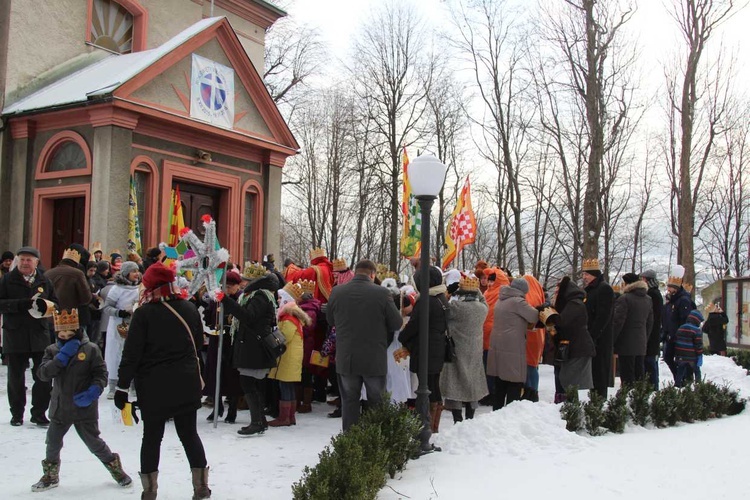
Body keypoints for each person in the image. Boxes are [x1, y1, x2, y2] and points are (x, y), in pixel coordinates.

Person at [115, 262, 210, 500]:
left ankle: (149, 492)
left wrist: (121, 387)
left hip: (154, 386)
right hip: (186, 382)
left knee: (152, 438)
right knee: (189, 435)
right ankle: (201, 488)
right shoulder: (188, 307)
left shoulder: (144, 313)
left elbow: (132, 355)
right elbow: (198, 343)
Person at [33, 308, 131, 491]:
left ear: (77, 331)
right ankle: (50, 475)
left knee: (94, 443)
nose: (65, 336)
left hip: (84, 408)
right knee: (53, 442)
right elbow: (43, 374)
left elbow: (101, 374)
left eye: (70, 332)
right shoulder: (52, 350)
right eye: (62, 333)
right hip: (60, 407)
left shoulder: (90, 349)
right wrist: (61, 358)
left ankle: (116, 470)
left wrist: (94, 391)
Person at [326, 259, 402, 431]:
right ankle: (375, 441)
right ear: (372, 274)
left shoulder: (337, 292)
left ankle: (350, 441)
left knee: (349, 402)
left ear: (356, 271)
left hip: (347, 358)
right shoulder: (382, 293)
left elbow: (330, 320)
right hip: (374, 358)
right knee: (376, 402)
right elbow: (396, 323)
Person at [219, 263, 279, 436]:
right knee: (252, 383)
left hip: (255, 347)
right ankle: (260, 421)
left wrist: (226, 301)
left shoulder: (260, 296)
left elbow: (248, 317)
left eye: (247, 280)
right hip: (252, 345)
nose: (244, 283)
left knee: (249, 383)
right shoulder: (258, 295)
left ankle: (257, 421)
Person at [0, 246, 57, 426]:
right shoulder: (8, 279)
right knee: (15, 377)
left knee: (43, 376)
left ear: (36, 262)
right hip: (15, 333)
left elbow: (55, 303)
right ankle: (17, 413)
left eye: (29, 260)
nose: (25, 263)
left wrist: (46, 307)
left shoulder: (44, 280)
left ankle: (39, 412)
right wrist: (21, 304)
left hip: (39, 334)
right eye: (22, 259)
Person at [400, 265, 449, 433]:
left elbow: (414, 325)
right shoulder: (441, 298)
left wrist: (402, 337)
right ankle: (433, 425)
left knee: (425, 386)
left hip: (425, 349)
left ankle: (425, 425)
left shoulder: (426, 301)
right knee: (433, 384)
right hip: (437, 348)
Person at [439, 275, 488, 423]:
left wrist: (450, 291)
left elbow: (442, 305)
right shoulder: (482, 309)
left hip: (456, 350)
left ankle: (457, 418)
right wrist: (476, 289)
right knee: (472, 383)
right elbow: (483, 300)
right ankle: (470, 417)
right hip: (475, 351)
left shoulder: (455, 308)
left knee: (456, 384)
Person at [487, 278, 539, 410]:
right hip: (513, 347)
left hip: (498, 344)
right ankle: (510, 414)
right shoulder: (518, 301)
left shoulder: (501, 299)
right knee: (514, 382)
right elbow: (533, 316)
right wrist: (540, 308)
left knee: (500, 382)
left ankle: (497, 413)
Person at [203, 271, 244, 423]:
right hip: (216, 339)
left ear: (237, 286)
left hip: (231, 342)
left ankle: (232, 409)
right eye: (224, 286)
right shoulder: (217, 298)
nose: (226, 289)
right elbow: (209, 313)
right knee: (214, 374)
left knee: (231, 376)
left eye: (230, 286)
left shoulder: (240, 299)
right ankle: (217, 406)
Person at [267, 282, 309, 426]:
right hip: (289, 357)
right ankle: (289, 416)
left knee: (285, 387)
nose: (278, 301)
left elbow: (285, 337)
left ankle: (285, 417)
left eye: (280, 298)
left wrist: (272, 336)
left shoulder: (289, 317)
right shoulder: (291, 315)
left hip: (287, 358)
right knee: (288, 387)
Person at [552, 276, 595, 402]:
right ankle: (566, 405)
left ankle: (571, 407)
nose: (555, 293)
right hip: (572, 347)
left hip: (578, 347)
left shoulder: (575, 303)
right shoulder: (571, 303)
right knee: (565, 377)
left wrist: (549, 315)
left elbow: (562, 320)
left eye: (557, 291)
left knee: (570, 380)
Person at [103, 261, 141, 399]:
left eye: (137, 270)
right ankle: (113, 386)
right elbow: (107, 308)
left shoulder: (139, 288)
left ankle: (133, 385)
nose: (137, 274)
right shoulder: (116, 289)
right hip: (118, 326)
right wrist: (120, 312)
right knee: (115, 355)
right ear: (126, 273)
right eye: (133, 271)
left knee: (132, 354)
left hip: (135, 325)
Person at [611, 273, 653, 386]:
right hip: (641, 340)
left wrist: (612, 340)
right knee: (639, 372)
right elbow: (650, 323)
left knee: (627, 374)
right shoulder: (648, 299)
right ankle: (639, 397)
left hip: (626, 342)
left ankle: (627, 397)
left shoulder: (624, 299)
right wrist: (645, 337)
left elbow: (618, 322)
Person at [581, 258, 614, 398]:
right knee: (594, 372)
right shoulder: (590, 290)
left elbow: (603, 316)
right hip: (592, 337)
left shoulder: (604, 289)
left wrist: (593, 335)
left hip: (600, 339)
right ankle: (594, 399)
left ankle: (599, 400)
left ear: (594, 274)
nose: (584, 277)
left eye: (586, 274)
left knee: (600, 371)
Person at [44, 246, 95, 336]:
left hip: (50, 318)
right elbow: (86, 298)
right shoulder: (77, 273)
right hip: (69, 319)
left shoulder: (48, 273)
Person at [662, 265, 695, 382]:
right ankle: (679, 379)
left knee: (681, 361)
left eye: (671, 288)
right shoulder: (670, 302)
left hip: (680, 337)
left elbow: (684, 319)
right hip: (670, 335)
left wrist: (679, 334)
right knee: (668, 358)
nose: (668, 290)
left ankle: (683, 381)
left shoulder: (683, 300)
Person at [523, 275, 547, 402]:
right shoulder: (539, 296)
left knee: (530, 365)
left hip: (529, 335)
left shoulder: (528, 298)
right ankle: (533, 390)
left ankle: (531, 391)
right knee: (533, 364)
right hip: (539, 335)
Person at [640, 269, 663, 390]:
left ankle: (653, 387)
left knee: (650, 363)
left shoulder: (653, 295)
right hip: (652, 332)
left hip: (652, 334)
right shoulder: (654, 294)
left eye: (643, 279)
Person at [675, 309, 704, 387]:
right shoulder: (696, 330)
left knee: (680, 371)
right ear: (697, 320)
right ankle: (699, 385)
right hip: (692, 357)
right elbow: (698, 344)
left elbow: (676, 341)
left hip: (681, 355)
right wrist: (699, 354)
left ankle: (677, 385)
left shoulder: (681, 327)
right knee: (696, 371)